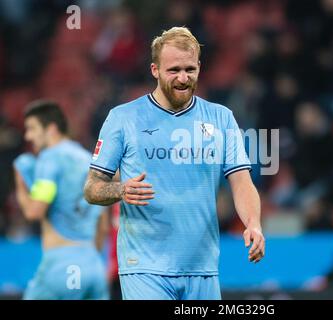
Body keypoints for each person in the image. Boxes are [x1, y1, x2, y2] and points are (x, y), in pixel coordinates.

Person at [83, 27, 265, 300]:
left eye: (190, 69)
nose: (183, 78)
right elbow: (92, 188)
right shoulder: (123, 118)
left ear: (200, 67)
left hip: (203, 268)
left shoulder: (221, 118)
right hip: (144, 268)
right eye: (174, 70)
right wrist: (120, 190)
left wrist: (253, 223)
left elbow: (241, 182)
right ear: (155, 70)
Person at [13, 101, 109, 300]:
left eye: (32, 128)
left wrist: (20, 183)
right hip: (94, 264)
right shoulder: (90, 160)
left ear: (51, 129)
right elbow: (103, 225)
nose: (28, 136)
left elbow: (34, 211)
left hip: (63, 265)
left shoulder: (49, 160)